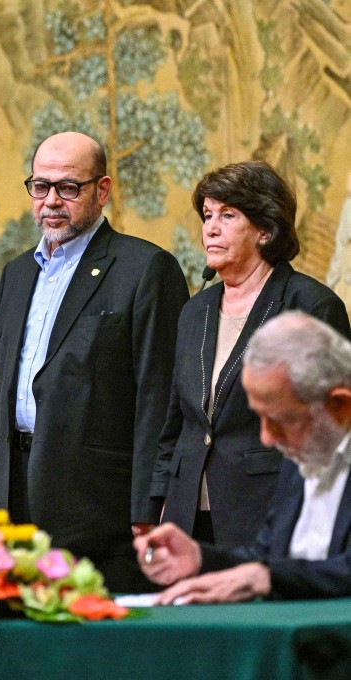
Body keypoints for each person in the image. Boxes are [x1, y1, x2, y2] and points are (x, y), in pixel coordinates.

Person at [0, 131, 189, 593]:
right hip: (16, 497)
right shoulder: (16, 273)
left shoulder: (145, 269)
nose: (51, 201)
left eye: (68, 187)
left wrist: (148, 506)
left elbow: (158, 398)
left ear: (102, 191)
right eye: (40, 187)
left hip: (102, 508)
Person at [151, 161, 350, 549]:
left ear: (265, 229)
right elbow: (176, 422)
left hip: (266, 508)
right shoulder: (196, 310)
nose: (210, 227)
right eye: (208, 215)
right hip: (186, 510)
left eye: (228, 215)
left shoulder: (309, 305)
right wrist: (157, 502)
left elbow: (335, 430)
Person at [136, 312, 351, 603]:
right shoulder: (302, 451)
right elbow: (265, 556)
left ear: (340, 405)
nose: (266, 438)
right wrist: (200, 558)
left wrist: (267, 578)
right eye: (259, 418)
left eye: (279, 420)